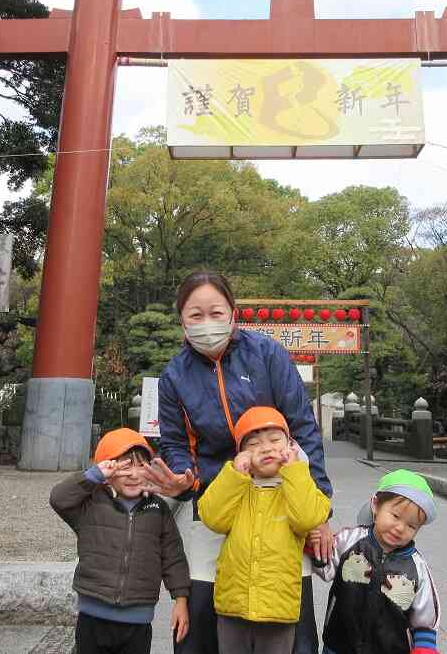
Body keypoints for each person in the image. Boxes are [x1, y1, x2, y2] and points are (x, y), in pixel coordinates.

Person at [141, 270, 333, 654]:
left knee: (291, 619)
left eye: (216, 312)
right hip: (217, 500)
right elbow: (176, 443)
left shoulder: (268, 354)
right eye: (196, 315)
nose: (207, 323)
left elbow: (303, 427)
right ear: (181, 319)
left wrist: (322, 509)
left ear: (233, 312)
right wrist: (184, 476)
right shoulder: (174, 376)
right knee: (203, 619)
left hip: (282, 498)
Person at [198, 407, 330, 654]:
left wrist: (295, 470)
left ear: (290, 445)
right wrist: (234, 476)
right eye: (254, 444)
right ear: (241, 454)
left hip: (278, 610)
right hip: (233, 606)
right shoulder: (237, 487)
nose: (266, 448)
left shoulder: (299, 485)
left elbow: (307, 518)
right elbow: (212, 517)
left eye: (275, 440)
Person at [50, 428, 191, 654]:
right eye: (125, 467)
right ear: (107, 471)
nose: (134, 475)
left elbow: (173, 557)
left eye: (141, 466)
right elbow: (58, 498)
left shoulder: (158, 509)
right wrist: (93, 475)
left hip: (138, 620)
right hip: (92, 616)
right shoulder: (90, 504)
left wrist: (181, 599)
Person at [316, 470, 441, 654]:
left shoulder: (417, 567)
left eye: (411, 525)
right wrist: (314, 545)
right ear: (376, 505)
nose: (400, 528)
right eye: (395, 516)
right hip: (339, 643)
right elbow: (324, 565)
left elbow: (426, 615)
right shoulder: (349, 540)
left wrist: (425, 646)